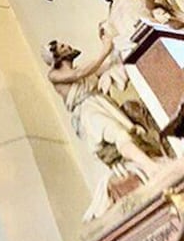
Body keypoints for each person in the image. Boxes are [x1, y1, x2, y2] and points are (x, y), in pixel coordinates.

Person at [42, 41, 163, 219]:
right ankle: (150, 167)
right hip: (88, 112)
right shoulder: (55, 74)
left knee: (129, 135)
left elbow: (108, 66)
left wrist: (118, 44)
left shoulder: (86, 70)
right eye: (61, 46)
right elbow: (79, 73)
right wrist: (105, 50)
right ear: (55, 56)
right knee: (118, 134)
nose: (67, 45)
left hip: (102, 104)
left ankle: (146, 163)